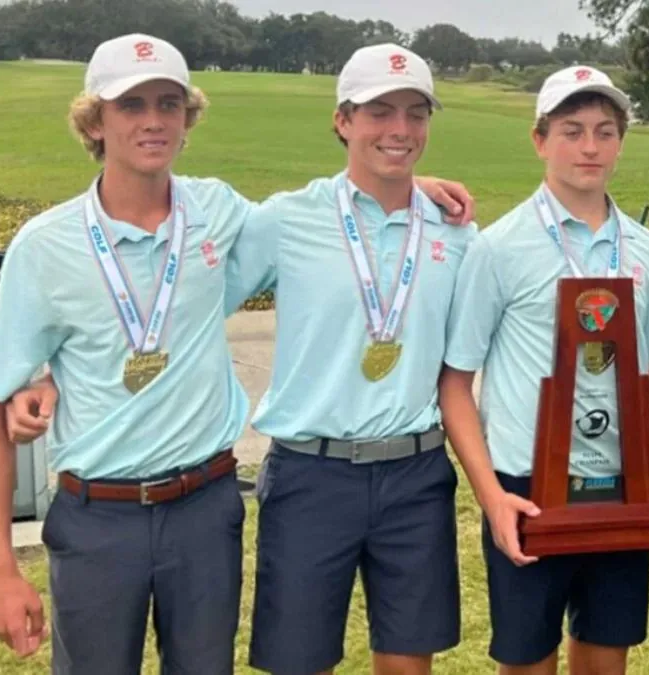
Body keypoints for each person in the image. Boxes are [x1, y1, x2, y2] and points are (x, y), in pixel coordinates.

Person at [0, 34, 474, 673]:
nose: (153, 119)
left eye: (168, 103)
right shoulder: (53, 244)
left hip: (217, 505)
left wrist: (406, 181)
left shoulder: (217, 212)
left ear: (188, 118)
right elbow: (13, 385)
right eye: (131, 105)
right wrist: (46, 374)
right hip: (130, 506)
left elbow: (358, 203)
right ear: (95, 120)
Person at [221, 44, 475, 675]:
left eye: (416, 114)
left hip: (415, 473)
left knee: (409, 660)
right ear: (343, 121)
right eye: (379, 112)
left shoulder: (453, 230)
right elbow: (193, 307)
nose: (400, 130)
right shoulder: (286, 218)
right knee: (299, 661)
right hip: (312, 474)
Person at [437, 65, 649, 675]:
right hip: (527, 488)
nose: (590, 147)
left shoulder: (647, 251)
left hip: (622, 488)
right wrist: (492, 497)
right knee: (528, 658)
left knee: (606, 653)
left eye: (605, 131)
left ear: (622, 142)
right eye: (571, 130)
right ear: (540, 140)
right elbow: (455, 385)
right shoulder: (498, 247)